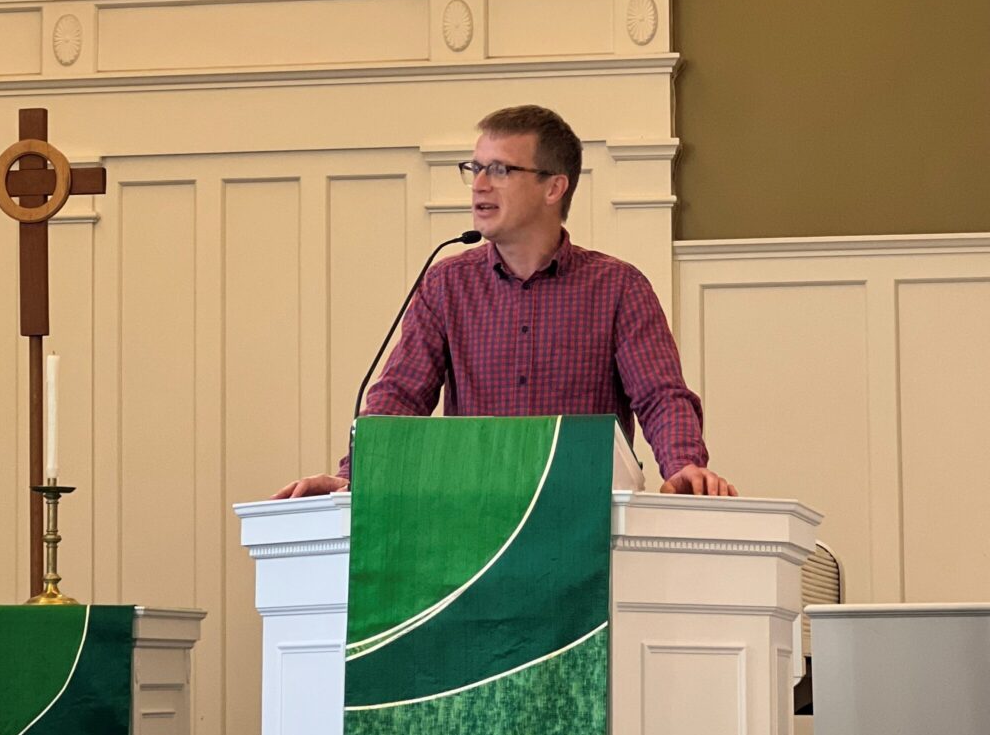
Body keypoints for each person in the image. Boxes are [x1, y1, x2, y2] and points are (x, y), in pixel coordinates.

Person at [273, 105, 736, 500]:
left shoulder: (618, 287)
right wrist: (355, 476)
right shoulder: (447, 285)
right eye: (474, 168)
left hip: (584, 519)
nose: (479, 185)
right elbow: (399, 397)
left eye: (499, 170)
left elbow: (660, 396)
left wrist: (684, 467)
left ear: (554, 187)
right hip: (472, 520)